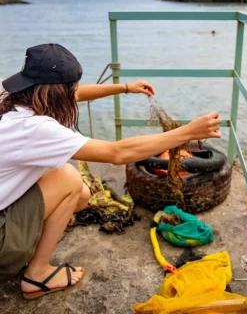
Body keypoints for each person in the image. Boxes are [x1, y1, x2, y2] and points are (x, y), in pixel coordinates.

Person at [0, 43, 222, 300]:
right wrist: (187, 132)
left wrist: (124, 88)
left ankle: (31, 241)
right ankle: (37, 275)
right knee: (69, 178)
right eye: (72, 87)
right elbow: (118, 153)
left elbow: (74, 95)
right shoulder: (34, 128)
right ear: (57, 93)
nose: (75, 93)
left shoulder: (10, 98)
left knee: (81, 195)